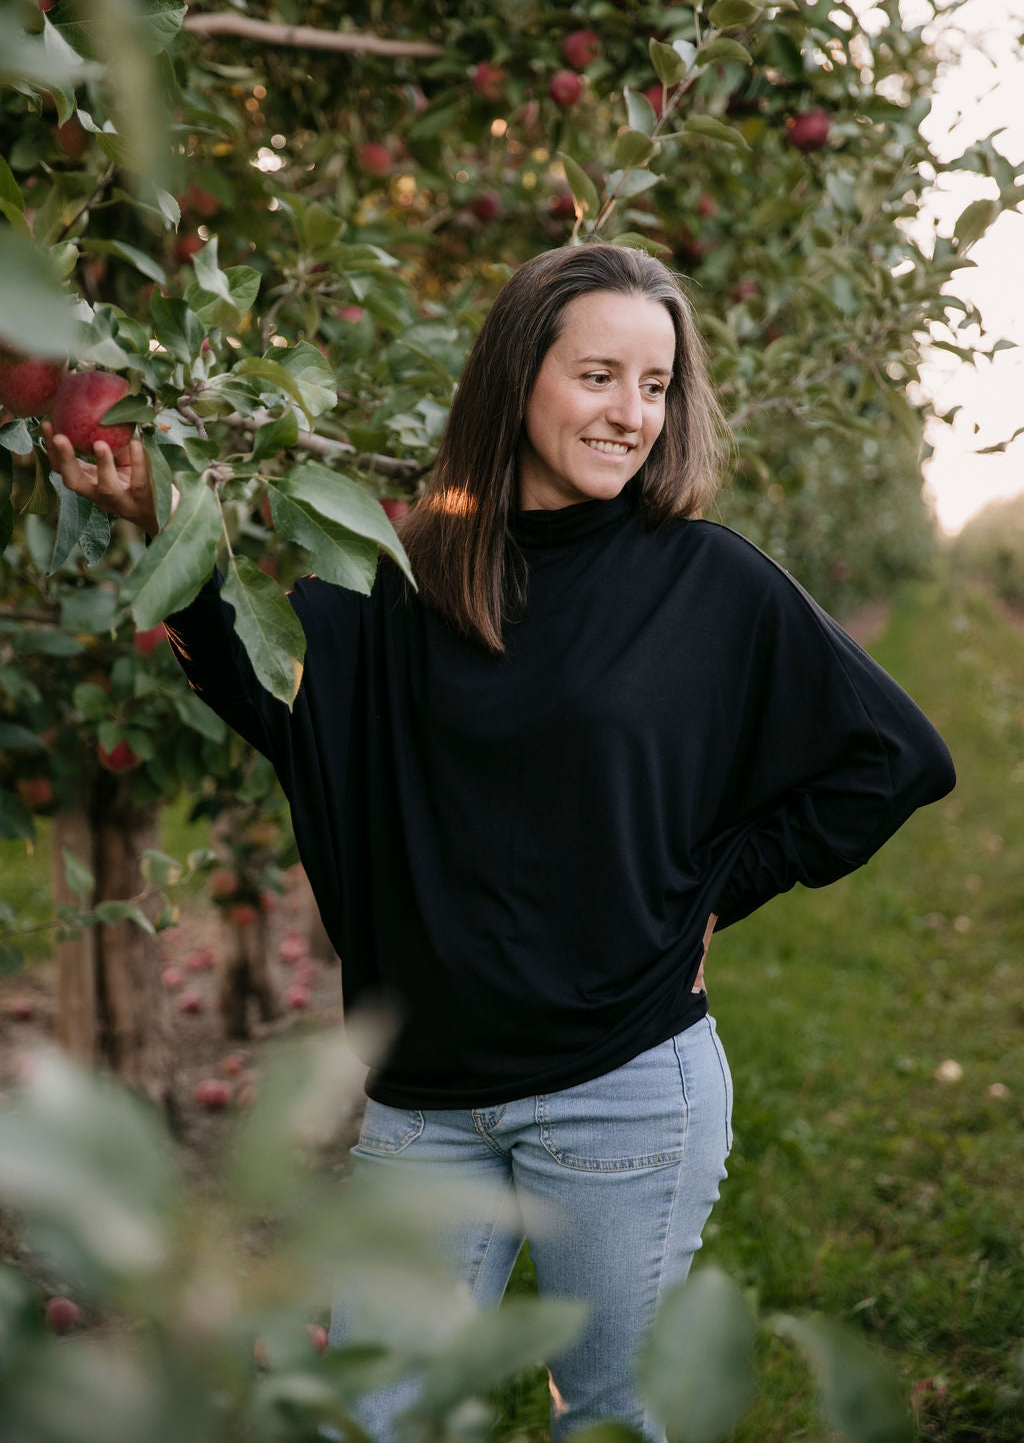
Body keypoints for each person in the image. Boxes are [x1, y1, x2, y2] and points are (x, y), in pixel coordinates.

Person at [43, 243, 955, 1441]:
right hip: (425, 1105)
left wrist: (713, 891)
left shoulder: (704, 580)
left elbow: (894, 757)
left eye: (655, 384)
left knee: (604, 1414)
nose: (631, 413)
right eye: (598, 375)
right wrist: (172, 544)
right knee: (369, 1409)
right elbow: (290, 707)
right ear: (518, 374)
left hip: (621, 1092)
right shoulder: (405, 569)